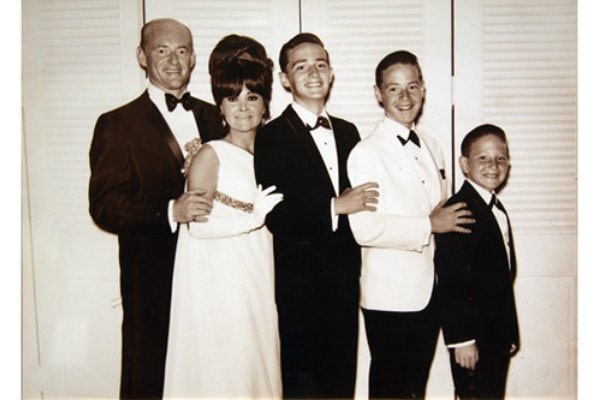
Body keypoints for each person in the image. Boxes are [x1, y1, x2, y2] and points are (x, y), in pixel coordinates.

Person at [88, 18, 225, 399]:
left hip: (214, 270)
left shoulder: (218, 116)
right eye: (161, 50)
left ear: (193, 57)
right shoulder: (117, 124)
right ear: (141, 56)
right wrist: (169, 211)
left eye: (182, 51)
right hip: (151, 276)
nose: (173, 61)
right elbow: (104, 205)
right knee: (148, 377)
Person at [254, 32, 379, 399]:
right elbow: (277, 215)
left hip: (344, 282)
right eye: (301, 66)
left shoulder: (348, 132)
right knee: (303, 387)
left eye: (320, 64)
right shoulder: (270, 136)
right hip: (300, 288)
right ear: (284, 79)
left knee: (341, 384)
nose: (313, 73)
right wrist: (334, 206)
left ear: (331, 73)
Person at [346, 50, 474, 399]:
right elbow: (365, 229)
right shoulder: (366, 152)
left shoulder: (432, 145)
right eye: (394, 88)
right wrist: (428, 225)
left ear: (423, 89)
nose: (405, 97)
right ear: (378, 94)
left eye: (412, 86)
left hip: (429, 290)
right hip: (390, 295)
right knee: (391, 390)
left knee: (415, 388)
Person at [163, 35, 283, 399]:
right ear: (220, 105)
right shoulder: (210, 154)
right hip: (220, 280)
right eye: (233, 98)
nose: (243, 107)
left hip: (258, 272)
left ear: (265, 103)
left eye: (252, 97)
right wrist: (253, 217)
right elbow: (199, 227)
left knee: (256, 366)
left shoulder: (272, 155)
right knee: (226, 368)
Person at [434, 124, 520, 400]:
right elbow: (450, 280)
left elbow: (502, 279)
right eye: (482, 158)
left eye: (500, 158)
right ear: (464, 164)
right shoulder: (459, 210)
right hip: (472, 338)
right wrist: (462, 339)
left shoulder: (495, 207)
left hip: (496, 334)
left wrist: (508, 331)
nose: (493, 166)